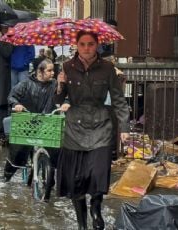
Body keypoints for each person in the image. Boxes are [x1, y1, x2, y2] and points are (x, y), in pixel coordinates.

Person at [55, 31, 130, 230]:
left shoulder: (107, 68)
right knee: (76, 179)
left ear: (97, 45)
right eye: (82, 44)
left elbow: (118, 100)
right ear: (76, 45)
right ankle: (82, 224)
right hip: (75, 128)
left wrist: (124, 127)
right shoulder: (66, 67)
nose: (86, 48)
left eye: (90, 44)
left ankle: (96, 208)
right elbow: (56, 101)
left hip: (100, 125)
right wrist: (59, 85)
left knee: (98, 173)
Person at [3, 59, 59, 201]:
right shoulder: (26, 83)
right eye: (49, 70)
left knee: (54, 148)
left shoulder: (54, 84)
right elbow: (11, 97)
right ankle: (6, 176)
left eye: (53, 70)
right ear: (40, 71)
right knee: (18, 150)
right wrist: (16, 105)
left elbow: (63, 95)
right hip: (28, 121)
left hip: (47, 121)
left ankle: (49, 180)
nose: (53, 73)